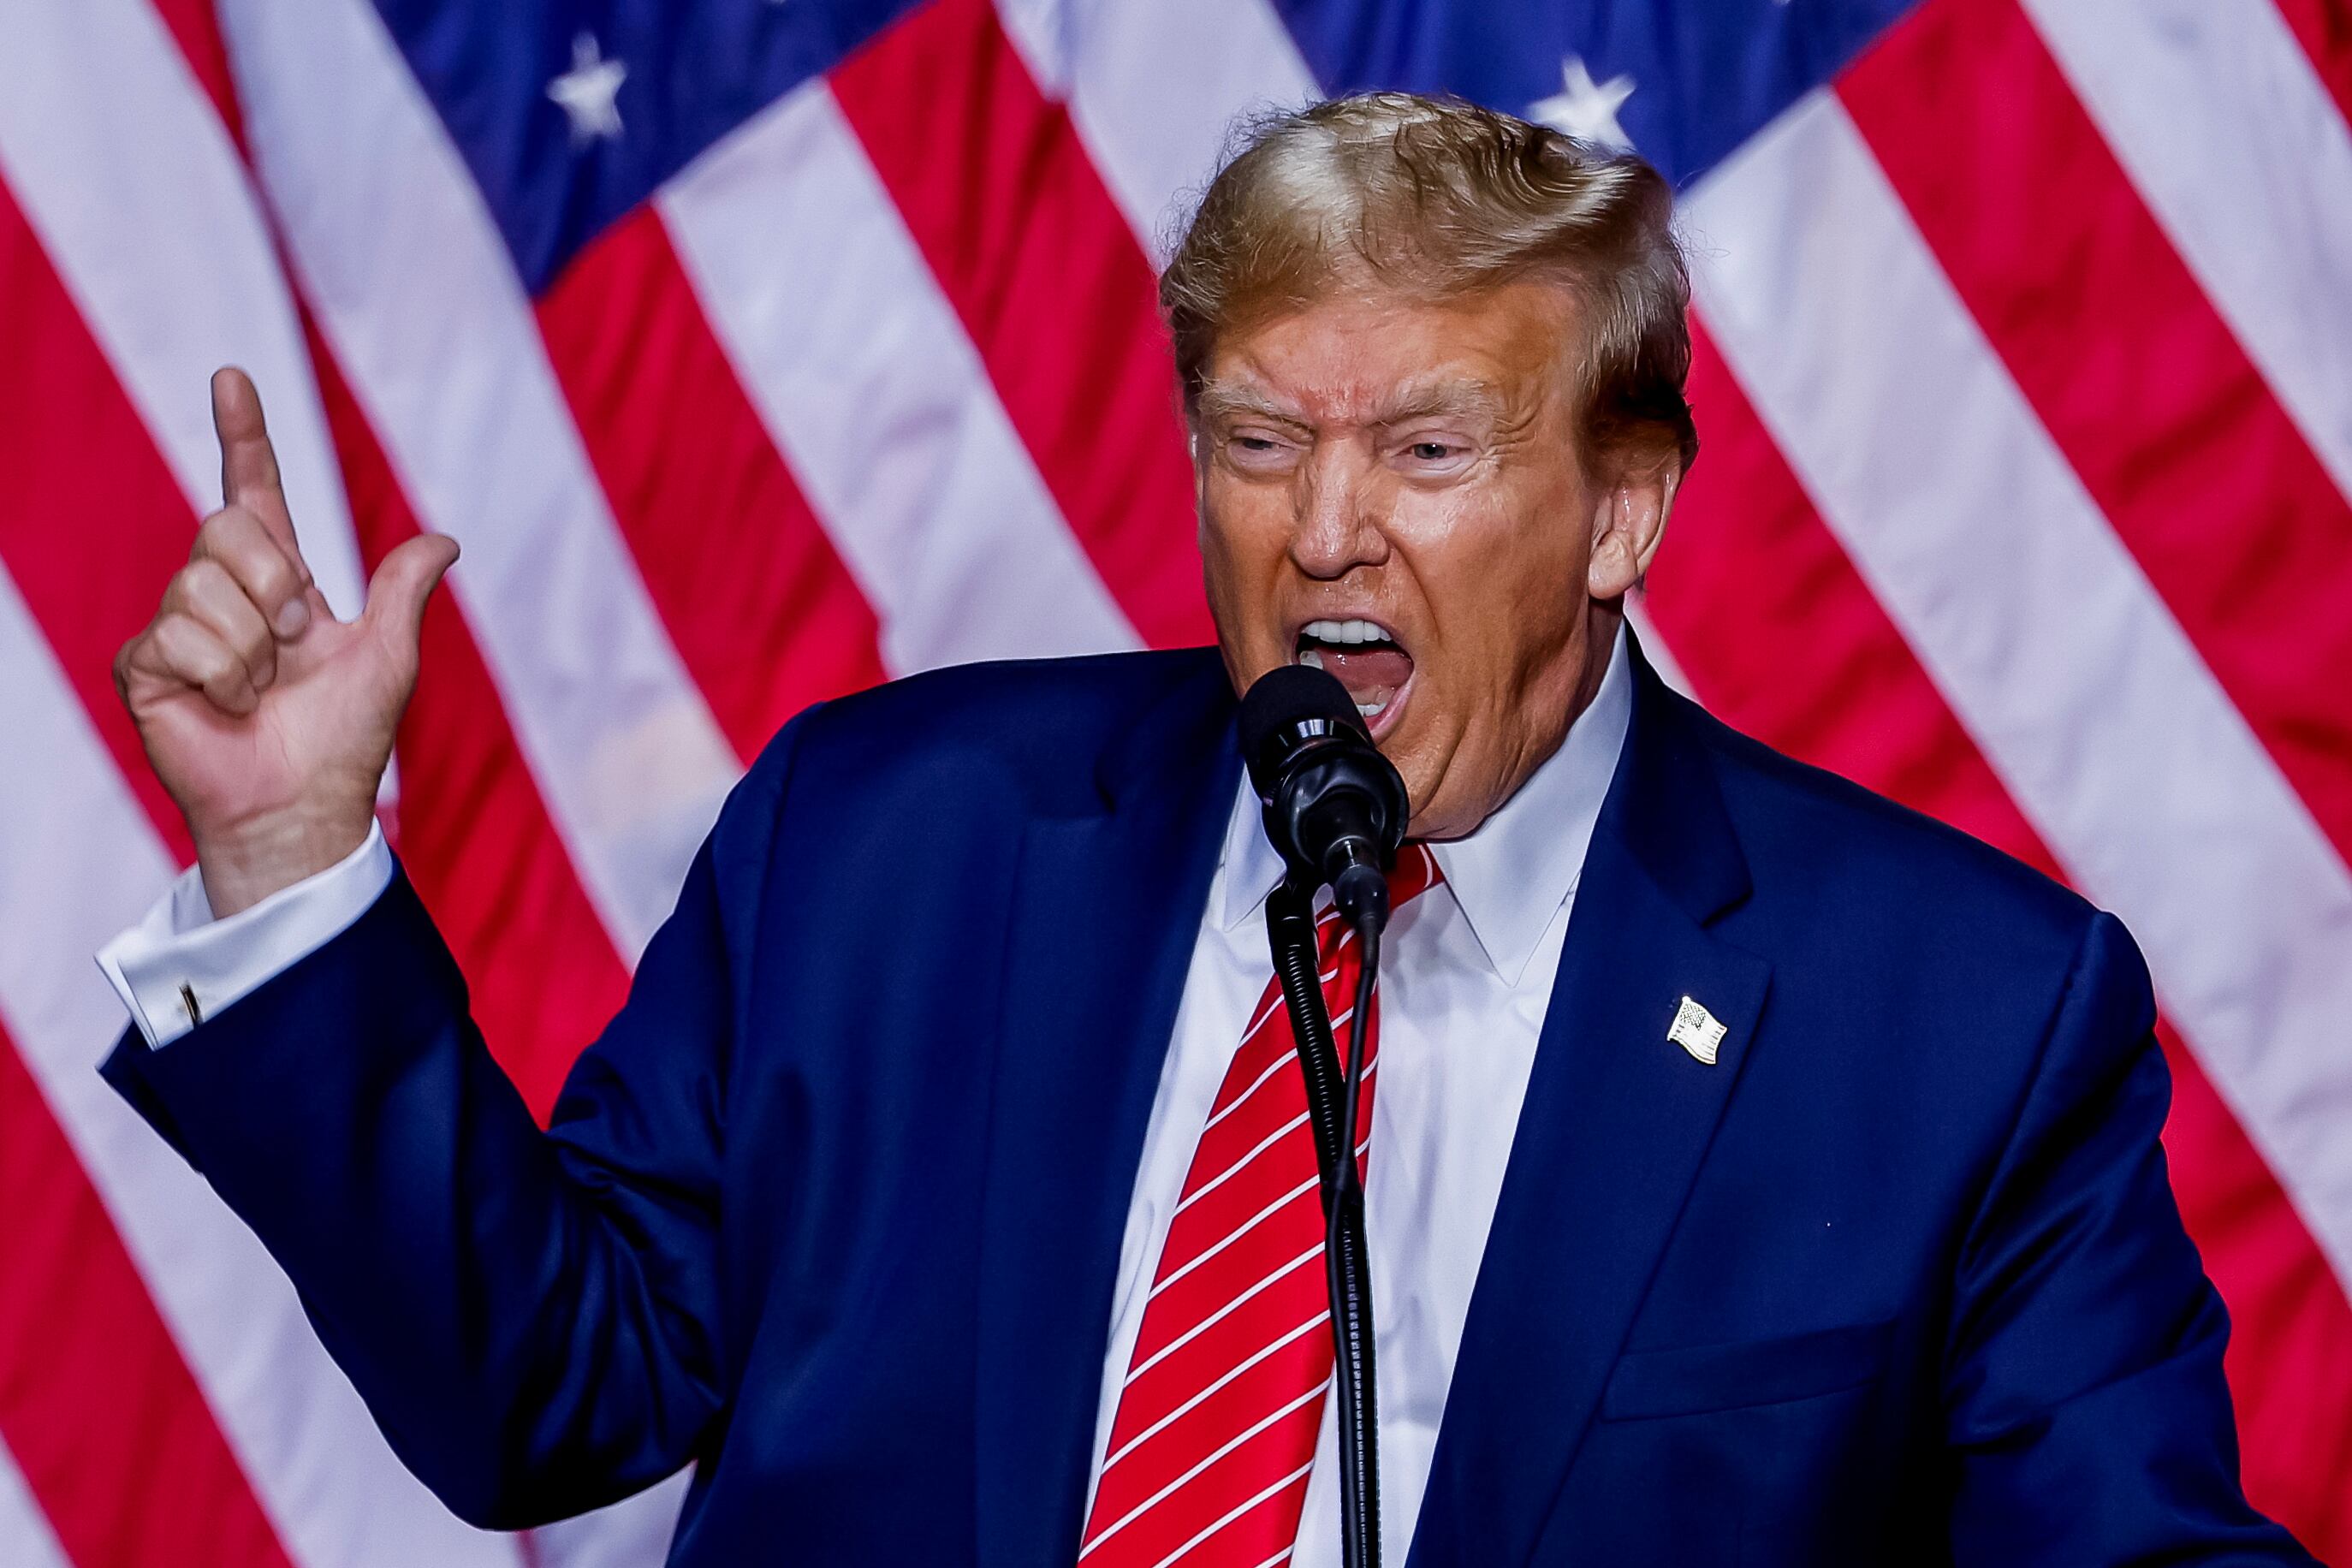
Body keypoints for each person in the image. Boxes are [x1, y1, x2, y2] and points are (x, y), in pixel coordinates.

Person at [97, 92, 2307, 1565]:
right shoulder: (886, 848)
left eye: (1427, 452)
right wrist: (294, 860)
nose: (1325, 532)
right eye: (1258, 441)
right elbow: (540, 1401)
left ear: (1622, 504)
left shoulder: (1948, 1017)